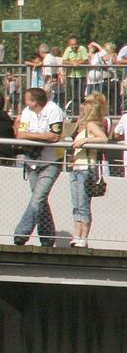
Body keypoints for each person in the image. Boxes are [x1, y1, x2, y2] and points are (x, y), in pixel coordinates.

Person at [12, 86, 66, 247]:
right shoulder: (27, 112)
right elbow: (20, 134)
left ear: (35, 101)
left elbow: (54, 136)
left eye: (27, 99)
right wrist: (41, 137)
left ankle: (21, 233)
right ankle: (47, 237)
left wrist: (32, 136)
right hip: (32, 162)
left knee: (38, 198)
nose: (25, 102)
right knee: (40, 199)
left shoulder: (54, 110)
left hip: (51, 161)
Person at [68, 92, 109, 249]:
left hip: (85, 168)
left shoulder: (91, 125)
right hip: (77, 167)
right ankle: (76, 234)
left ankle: (82, 237)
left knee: (83, 204)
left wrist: (86, 140)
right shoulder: (81, 127)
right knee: (76, 204)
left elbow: (103, 139)